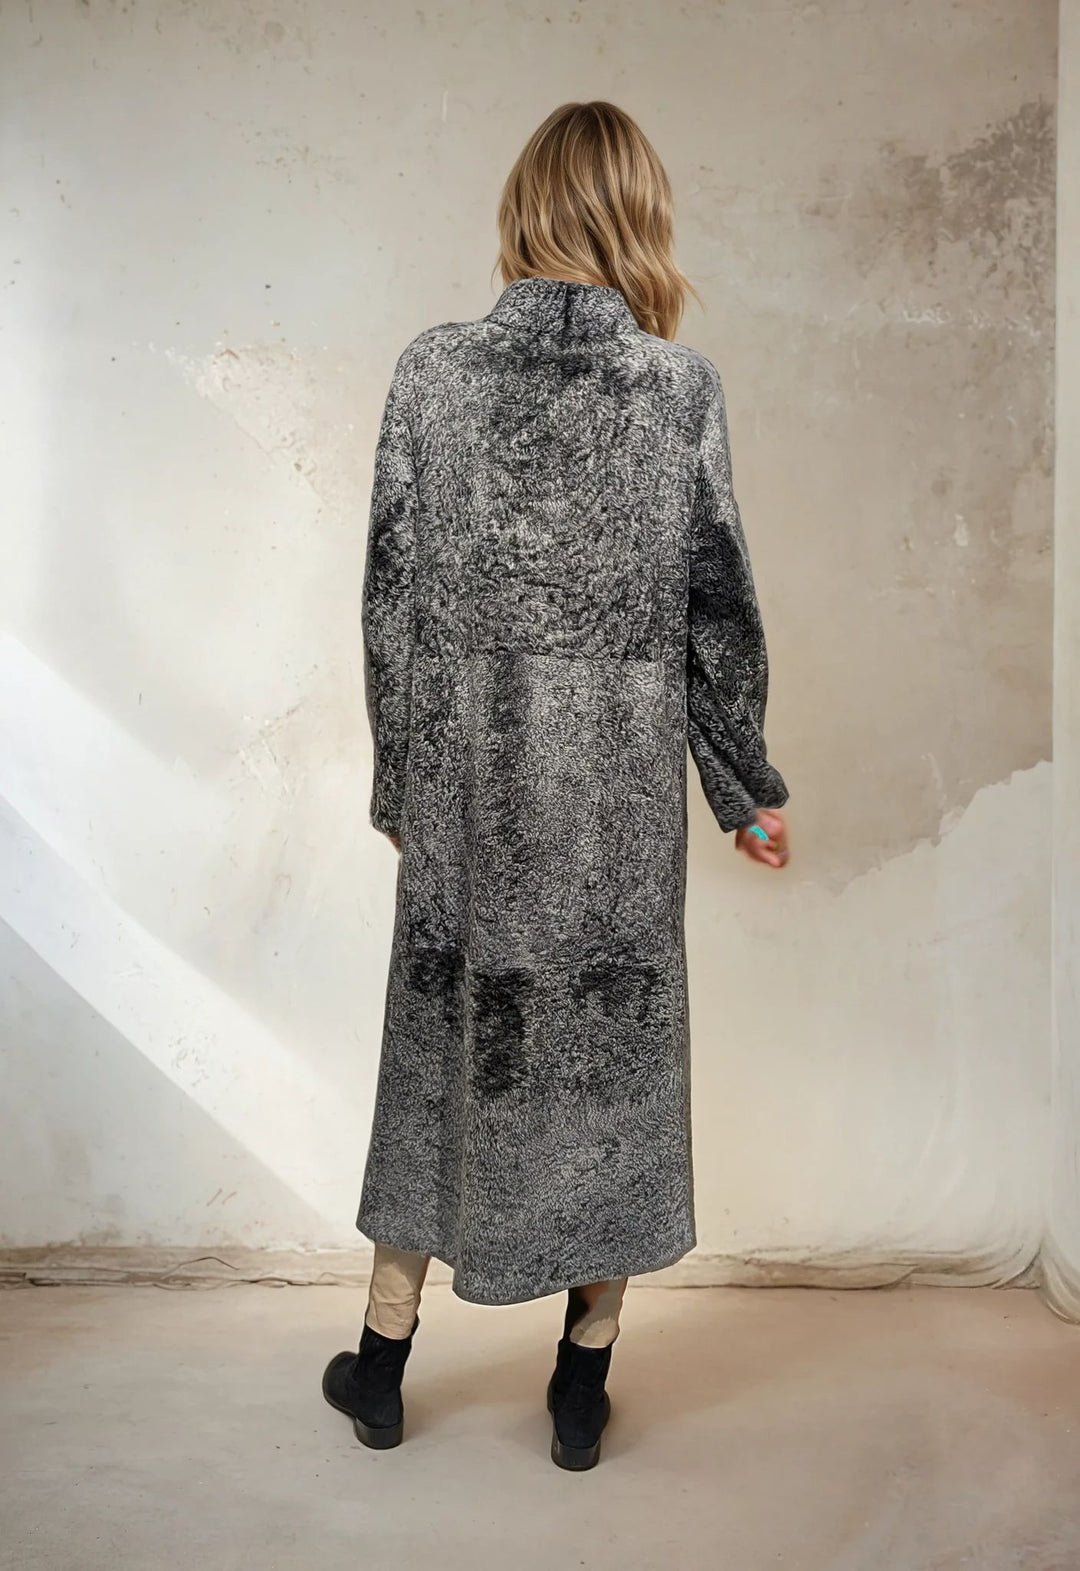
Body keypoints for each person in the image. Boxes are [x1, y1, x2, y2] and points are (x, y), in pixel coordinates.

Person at [322, 99, 790, 1471]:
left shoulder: (432, 374)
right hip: (615, 810)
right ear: (639, 215)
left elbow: (389, 605)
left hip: (471, 798)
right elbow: (718, 611)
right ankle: (582, 1386)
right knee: (611, 1074)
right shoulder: (677, 389)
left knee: (439, 1059)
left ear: (524, 208)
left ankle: (382, 1367)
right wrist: (743, 785)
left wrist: (409, 788)